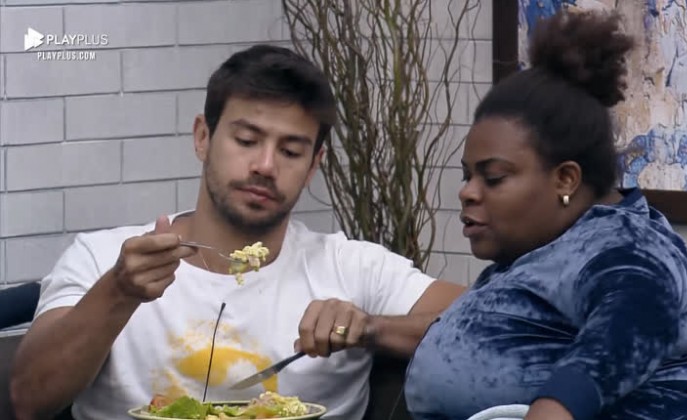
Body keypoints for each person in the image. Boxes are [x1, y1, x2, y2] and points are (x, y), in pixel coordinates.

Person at [10, 44, 465, 420]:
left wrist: (372, 327)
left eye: (290, 151)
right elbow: (29, 399)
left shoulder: (351, 267)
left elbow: (486, 322)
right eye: (246, 141)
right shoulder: (104, 257)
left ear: (314, 166)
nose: (265, 165)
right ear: (202, 137)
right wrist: (119, 292)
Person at [404, 9, 687, 420]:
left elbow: (630, 322)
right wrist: (369, 330)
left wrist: (556, 407)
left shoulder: (628, 247)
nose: (467, 192)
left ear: (565, 179)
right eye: (467, 176)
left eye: (493, 177)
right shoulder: (537, 253)